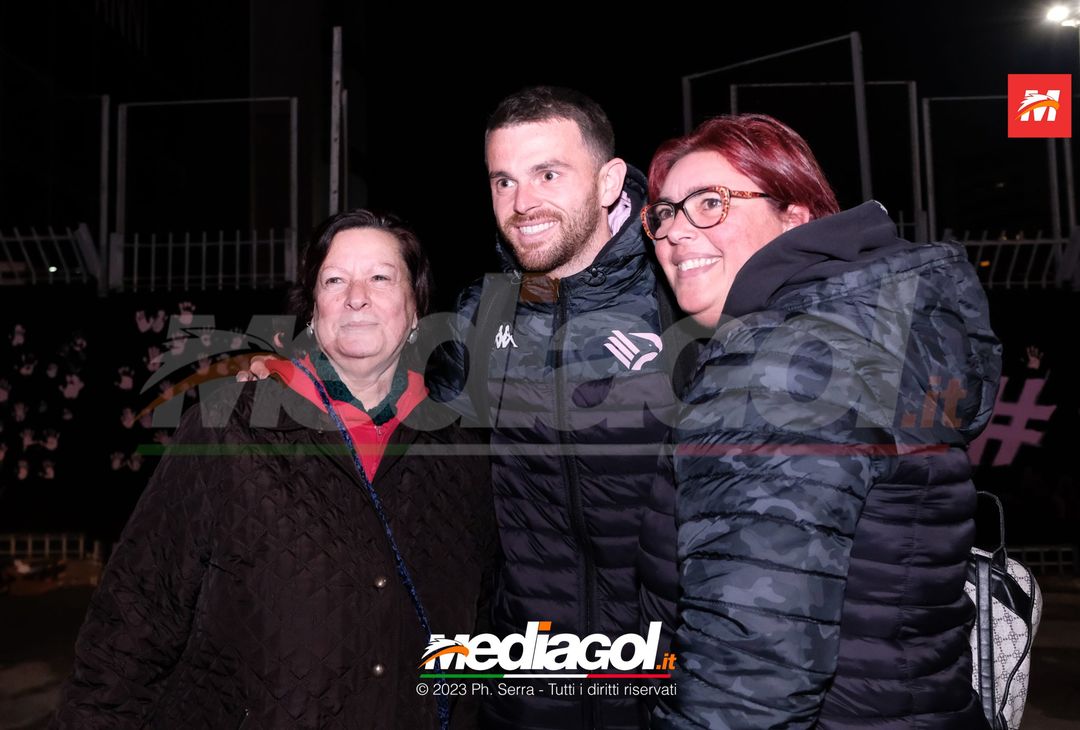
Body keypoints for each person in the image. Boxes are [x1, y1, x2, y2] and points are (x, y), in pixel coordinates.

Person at [52, 209, 494, 729]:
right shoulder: (228, 430)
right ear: (312, 310)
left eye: (381, 277)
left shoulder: (462, 455)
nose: (357, 296)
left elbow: (481, 639)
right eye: (335, 280)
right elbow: (135, 618)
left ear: (417, 308)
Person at [640, 114, 1000, 729]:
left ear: (797, 217)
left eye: (709, 203)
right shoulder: (868, 335)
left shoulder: (782, 362)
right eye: (665, 212)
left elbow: (749, 677)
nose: (675, 232)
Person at [427, 86, 681, 730]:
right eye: (503, 181)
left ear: (608, 181)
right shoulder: (480, 317)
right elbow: (421, 460)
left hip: (671, 685)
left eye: (548, 174)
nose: (521, 204)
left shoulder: (682, 288)